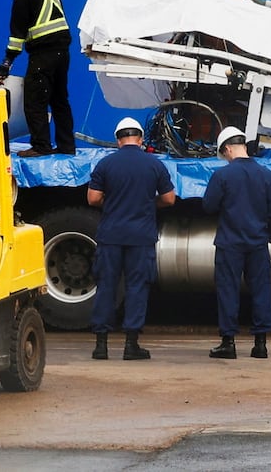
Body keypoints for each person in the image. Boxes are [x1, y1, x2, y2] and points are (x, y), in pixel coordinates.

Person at [87, 117, 176, 361]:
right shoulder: (154, 165)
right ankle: (131, 345)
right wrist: (149, 204)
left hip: (111, 235)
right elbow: (169, 199)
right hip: (141, 237)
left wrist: (112, 203)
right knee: (137, 287)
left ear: (118, 140)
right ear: (141, 139)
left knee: (106, 286)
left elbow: (93, 199)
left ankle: (101, 345)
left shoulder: (105, 164)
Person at [203, 127, 271, 360]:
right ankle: (260, 345)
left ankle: (228, 343)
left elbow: (209, 206)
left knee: (228, 290)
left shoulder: (223, 176)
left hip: (230, 244)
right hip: (257, 244)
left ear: (227, 148)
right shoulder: (266, 175)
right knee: (261, 291)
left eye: (224, 154)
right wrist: (269, 236)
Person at [0, 0, 76, 157]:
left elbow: (17, 35)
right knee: (60, 100)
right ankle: (67, 147)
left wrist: (7, 62)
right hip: (62, 53)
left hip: (43, 55)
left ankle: (41, 146)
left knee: (34, 101)